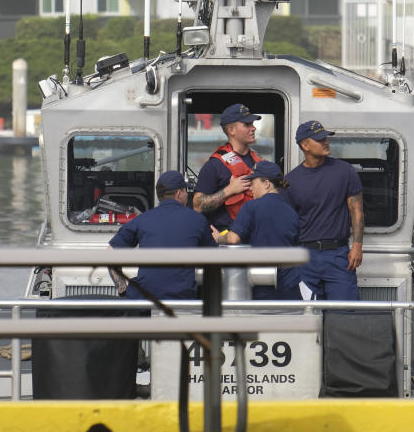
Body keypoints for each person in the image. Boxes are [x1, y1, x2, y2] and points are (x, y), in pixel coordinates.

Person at [285, 120, 364, 300]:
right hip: (304, 257)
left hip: (338, 255)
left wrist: (357, 245)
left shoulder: (346, 172)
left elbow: (356, 210)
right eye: (319, 140)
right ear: (305, 145)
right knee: (306, 313)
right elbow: (288, 223)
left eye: (325, 138)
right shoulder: (290, 181)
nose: (326, 142)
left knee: (346, 311)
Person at [109, 171, 215, 300]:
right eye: (186, 190)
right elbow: (213, 258)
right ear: (179, 193)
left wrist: (122, 290)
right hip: (181, 300)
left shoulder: (142, 219)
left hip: (144, 301)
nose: (187, 195)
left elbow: (110, 252)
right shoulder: (198, 220)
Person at [211, 161, 301, 300]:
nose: (250, 188)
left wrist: (218, 238)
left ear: (266, 183)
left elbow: (233, 239)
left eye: (253, 183)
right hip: (289, 289)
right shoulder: (291, 211)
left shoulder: (251, 207)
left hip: (261, 288)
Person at [193, 103, 262, 232]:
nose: (253, 128)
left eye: (252, 124)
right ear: (231, 130)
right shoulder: (214, 165)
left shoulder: (258, 161)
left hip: (256, 235)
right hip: (227, 238)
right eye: (247, 125)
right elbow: (198, 206)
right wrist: (229, 191)